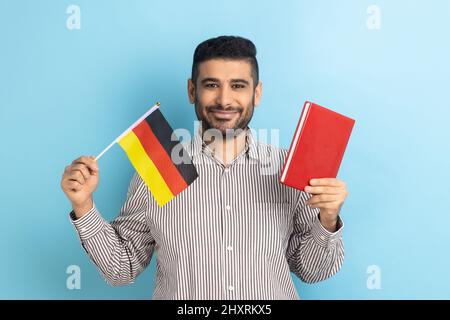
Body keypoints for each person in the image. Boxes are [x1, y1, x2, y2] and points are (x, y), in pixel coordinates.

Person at [60, 35, 348, 300]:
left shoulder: (287, 169)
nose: (224, 100)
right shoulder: (160, 168)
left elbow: (313, 271)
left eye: (238, 85)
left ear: (256, 94)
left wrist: (328, 219)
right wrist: (84, 206)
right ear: (191, 90)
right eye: (212, 85)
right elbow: (121, 268)